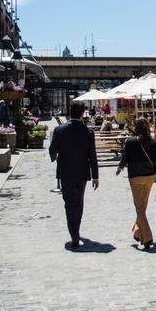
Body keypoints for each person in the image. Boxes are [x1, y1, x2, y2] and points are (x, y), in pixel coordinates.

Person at [48, 100, 99, 248]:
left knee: (69, 203)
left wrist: (54, 157)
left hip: (65, 172)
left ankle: (74, 232)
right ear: (83, 113)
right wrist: (95, 176)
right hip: (82, 172)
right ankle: (76, 229)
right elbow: (92, 155)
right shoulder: (88, 131)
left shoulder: (60, 129)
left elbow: (52, 149)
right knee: (79, 202)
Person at [116, 117, 156, 250]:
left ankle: (146, 238)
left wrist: (120, 167)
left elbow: (125, 157)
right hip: (149, 176)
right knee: (143, 204)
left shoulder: (130, 142)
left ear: (135, 128)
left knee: (139, 207)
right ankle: (137, 230)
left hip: (135, 176)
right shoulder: (153, 141)